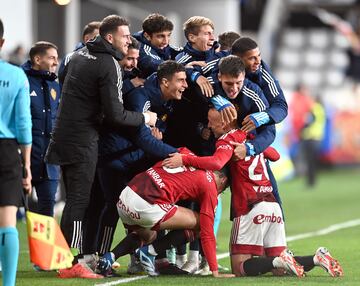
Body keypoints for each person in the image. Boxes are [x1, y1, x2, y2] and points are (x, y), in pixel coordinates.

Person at [163, 108, 343, 278]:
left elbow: (217, 163)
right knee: (279, 270)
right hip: (273, 206)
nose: (209, 126)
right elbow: (275, 155)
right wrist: (250, 147)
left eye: (212, 122)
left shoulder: (226, 140)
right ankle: (316, 258)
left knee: (240, 267)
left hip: (250, 206)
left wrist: (185, 159)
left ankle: (281, 259)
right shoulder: (248, 138)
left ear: (226, 123)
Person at [45, 15, 157, 279]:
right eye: (125, 36)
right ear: (110, 38)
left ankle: (72, 259)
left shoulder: (78, 55)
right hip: (82, 139)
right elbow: (116, 114)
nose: (129, 40)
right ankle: (70, 262)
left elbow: (65, 82)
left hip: (64, 134)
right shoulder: (109, 64)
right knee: (78, 201)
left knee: (77, 199)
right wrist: (146, 118)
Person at [97, 148, 234, 278]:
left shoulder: (185, 154)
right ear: (223, 180)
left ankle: (109, 258)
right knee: (200, 225)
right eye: (223, 190)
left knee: (148, 235)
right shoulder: (210, 187)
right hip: (146, 204)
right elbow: (207, 231)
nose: (219, 193)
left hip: (126, 197)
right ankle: (149, 252)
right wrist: (214, 270)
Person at [0, 18, 32, 286]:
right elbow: (24, 124)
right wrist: (27, 166)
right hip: (6, 151)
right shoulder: (15, 75)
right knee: (7, 220)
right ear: (1, 43)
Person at [21, 41, 60, 217]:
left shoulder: (55, 85)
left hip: (49, 162)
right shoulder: (21, 81)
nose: (56, 62)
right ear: (37, 59)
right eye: (52, 57)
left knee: (47, 213)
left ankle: (44, 247)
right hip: (24, 160)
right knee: (12, 211)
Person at [133, 13, 182, 78]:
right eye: (160, 36)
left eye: (168, 35)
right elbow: (159, 67)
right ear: (147, 36)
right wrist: (186, 68)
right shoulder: (141, 49)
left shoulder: (161, 45)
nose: (166, 41)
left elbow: (182, 51)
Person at [58, 21, 101, 85]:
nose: (101, 41)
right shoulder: (71, 57)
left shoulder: (104, 58)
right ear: (87, 39)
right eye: (98, 38)